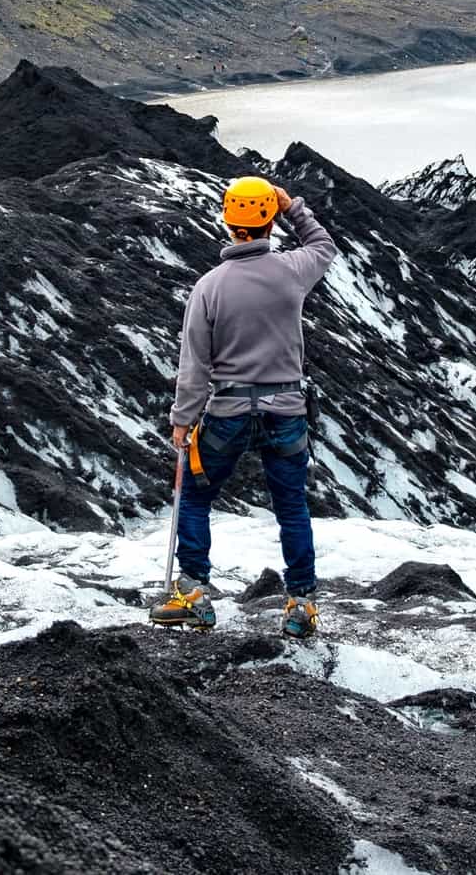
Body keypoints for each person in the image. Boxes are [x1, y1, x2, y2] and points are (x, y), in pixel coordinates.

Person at [150, 175, 337, 638]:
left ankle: (194, 596)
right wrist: (292, 206)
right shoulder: (293, 270)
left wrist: (182, 421)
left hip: (228, 410)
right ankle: (301, 605)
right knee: (292, 506)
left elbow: (195, 363)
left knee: (196, 498)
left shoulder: (209, 286)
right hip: (287, 408)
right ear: (269, 218)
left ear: (227, 220)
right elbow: (323, 244)